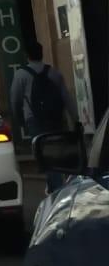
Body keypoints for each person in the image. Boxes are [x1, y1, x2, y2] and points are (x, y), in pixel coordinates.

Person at [10, 40, 79, 192]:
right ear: (42, 54)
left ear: (26, 55)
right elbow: (66, 97)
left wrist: (19, 120)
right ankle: (57, 183)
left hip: (34, 120)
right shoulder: (53, 72)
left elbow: (15, 100)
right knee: (56, 151)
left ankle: (56, 188)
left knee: (43, 153)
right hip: (55, 119)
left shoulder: (21, 75)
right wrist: (76, 119)